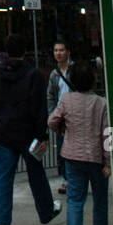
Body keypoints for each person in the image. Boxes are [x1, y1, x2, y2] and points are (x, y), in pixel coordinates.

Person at [0, 33, 62, 225]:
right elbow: (40, 108)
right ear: (24, 50)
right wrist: (42, 135)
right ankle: (46, 211)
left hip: (4, 133)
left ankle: (1, 221)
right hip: (28, 134)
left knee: (3, 176)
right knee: (36, 173)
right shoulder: (33, 75)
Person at [48, 59, 112, 225]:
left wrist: (63, 131)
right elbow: (109, 133)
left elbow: (52, 120)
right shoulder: (102, 103)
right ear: (93, 81)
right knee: (100, 199)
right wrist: (109, 161)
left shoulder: (67, 100)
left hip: (72, 155)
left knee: (75, 198)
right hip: (96, 158)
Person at [46, 38, 74, 194]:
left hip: (74, 115)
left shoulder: (74, 70)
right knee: (62, 149)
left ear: (68, 52)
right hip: (60, 117)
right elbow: (50, 95)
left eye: (61, 50)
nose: (58, 53)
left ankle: (73, 178)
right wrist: (53, 115)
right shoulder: (54, 74)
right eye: (56, 50)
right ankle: (66, 179)